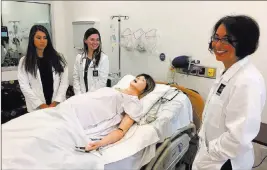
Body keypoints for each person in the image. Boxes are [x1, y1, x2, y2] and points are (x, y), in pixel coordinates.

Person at [192, 15, 266, 170]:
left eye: (227, 39)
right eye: (216, 38)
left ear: (244, 43)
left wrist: (209, 153)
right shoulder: (227, 72)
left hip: (224, 162)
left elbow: (238, 138)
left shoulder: (247, 81)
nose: (218, 44)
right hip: (212, 155)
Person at [60, 73, 155, 151]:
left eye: (143, 80)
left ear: (144, 90)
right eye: (138, 77)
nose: (138, 78)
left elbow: (121, 131)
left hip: (84, 115)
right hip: (74, 103)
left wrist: (100, 143)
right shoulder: (117, 89)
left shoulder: (134, 103)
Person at [18, 25, 69, 113]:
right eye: (38, 38)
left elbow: (64, 82)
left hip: (57, 105)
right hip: (37, 108)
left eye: (45, 38)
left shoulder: (58, 58)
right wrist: (41, 105)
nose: (42, 41)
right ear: (32, 39)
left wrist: (56, 102)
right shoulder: (25, 61)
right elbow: (24, 86)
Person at [73, 28, 109, 95]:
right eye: (92, 39)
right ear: (85, 41)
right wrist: (78, 94)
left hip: (96, 96)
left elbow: (102, 81)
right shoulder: (79, 57)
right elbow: (76, 78)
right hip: (80, 96)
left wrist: (88, 96)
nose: (95, 42)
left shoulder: (104, 58)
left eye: (97, 40)